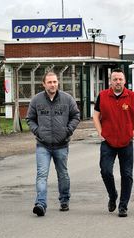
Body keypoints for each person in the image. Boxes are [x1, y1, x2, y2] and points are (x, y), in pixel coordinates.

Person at [26, 71, 80, 217]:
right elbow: (30, 119)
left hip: (61, 144)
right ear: (44, 84)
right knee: (41, 175)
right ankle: (41, 204)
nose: (53, 85)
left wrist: (67, 131)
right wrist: (38, 132)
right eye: (49, 82)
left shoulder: (67, 99)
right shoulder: (36, 100)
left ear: (58, 83)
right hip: (43, 145)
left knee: (62, 174)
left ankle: (64, 200)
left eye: (55, 82)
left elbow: (76, 116)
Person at [93, 68, 134, 217]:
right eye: (115, 79)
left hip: (126, 142)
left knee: (127, 175)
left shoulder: (132, 97)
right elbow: (96, 116)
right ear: (110, 81)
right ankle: (112, 195)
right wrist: (100, 133)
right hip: (108, 141)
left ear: (124, 81)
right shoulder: (102, 96)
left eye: (120, 79)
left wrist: (132, 134)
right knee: (105, 171)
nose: (118, 82)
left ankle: (123, 206)